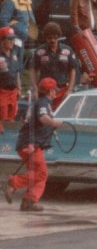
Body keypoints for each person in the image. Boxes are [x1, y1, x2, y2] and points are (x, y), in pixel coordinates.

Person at [2, 77, 63, 212]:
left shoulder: (40, 102)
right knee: (41, 174)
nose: (55, 93)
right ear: (51, 91)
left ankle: (29, 201)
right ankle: (13, 183)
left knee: (37, 174)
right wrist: (56, 123)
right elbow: (43, 118)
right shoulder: (43, 103)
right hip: (31, 144)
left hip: (29, 143)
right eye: (54, 90)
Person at [30, 22, 77, 109]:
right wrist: (35, 89)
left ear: (58, 36)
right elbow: (33, 70)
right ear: (45, 38)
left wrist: (70, 89)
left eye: (55, 38)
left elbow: (72, 70)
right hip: (45, 91)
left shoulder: (67, 50)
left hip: (62, 89)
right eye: (49, 38)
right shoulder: (39, 51)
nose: (52, 40)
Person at [0, 0, 36, 69]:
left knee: (19, 60)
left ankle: (17, 79)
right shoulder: (10, 1)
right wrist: (9, 38)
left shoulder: (27, 0)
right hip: (13, 39)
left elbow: (30, 18)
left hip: (22, 38)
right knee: (12, 59)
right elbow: (3, 20)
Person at [0, 26, 21, 121]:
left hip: (13, 91)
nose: (12, 41)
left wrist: (19, 88)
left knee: (12, 119)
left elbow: (17, 73)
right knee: (3, 118)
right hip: (2, 92)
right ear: (2, 40)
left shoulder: (14, 54)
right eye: (9, 39)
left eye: (13, 39)